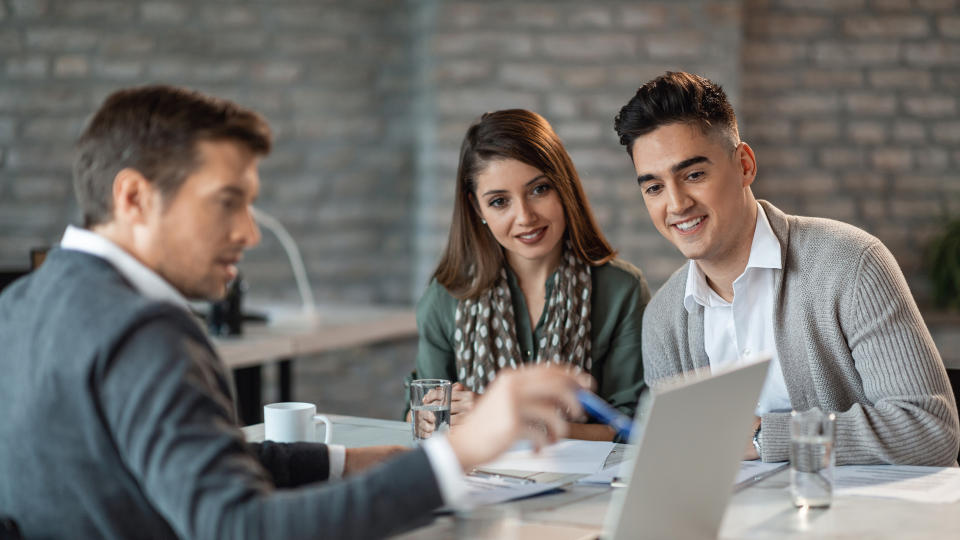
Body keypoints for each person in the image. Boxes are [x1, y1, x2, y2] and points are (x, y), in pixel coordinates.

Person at [0, 85, 594, 539]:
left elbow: (188, 462)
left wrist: (343, 462)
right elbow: (242, 528)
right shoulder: (144, 330)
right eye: (228, 203)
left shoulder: (23, 304)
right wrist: (455, 456)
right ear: (133, 197)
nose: (250, 232)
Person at [613, 71, 960, 466]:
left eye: (694, 175)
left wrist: (765, 437)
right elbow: (683, 459)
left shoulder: (852, 265)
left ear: (744, 165)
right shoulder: (663, 319)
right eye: (654, 187)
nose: (676, 204)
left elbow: (930, 429)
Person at [412, 109, 650, 442]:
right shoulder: (446, 295)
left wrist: (512, 420)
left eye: (539, 190)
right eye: (499, 201)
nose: (525, 216)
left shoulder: (620, 290)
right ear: (477, 209)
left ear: (563, 186)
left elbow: (630, 429)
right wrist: (423, 416)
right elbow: (421, 404)